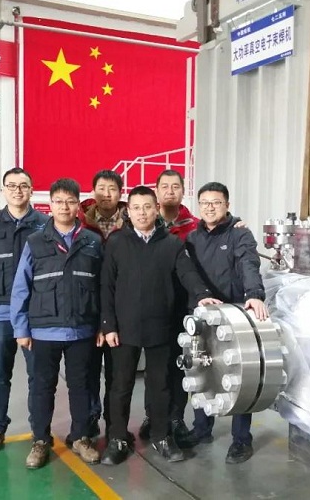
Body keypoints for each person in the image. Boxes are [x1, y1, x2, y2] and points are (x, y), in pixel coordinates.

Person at [100, 186, 220, 466]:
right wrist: (108, 325)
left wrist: (202, 295)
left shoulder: (172, 244)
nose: (142, 213)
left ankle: (161, 436)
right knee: (120, 386)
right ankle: (117, 438)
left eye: (147, 207)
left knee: (161, 386)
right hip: (124, 329)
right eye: (136, 208)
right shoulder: (116, 242)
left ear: (156, 209)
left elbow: (187, 273)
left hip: (161, 328)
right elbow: (106, 286)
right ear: (128, 211)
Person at [11, 178, 102, 470]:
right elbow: (21, 287)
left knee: (81, 387)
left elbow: (103, 287)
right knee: (42, 387)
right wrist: (21, 328)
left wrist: (102, 324)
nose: (64, 207)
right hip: (43, 330)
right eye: (59, 201)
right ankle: (40, 440)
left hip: (82, 329)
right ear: (50, 205)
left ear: (79, 205)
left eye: (71, 201)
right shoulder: (35, 242)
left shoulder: (92, 242)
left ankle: (81, 437)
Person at [186, 181, 269, 464]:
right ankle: (201, 429)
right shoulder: (192, 238)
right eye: (205, 203)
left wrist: (254, 294)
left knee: (240, 376)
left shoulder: (239, 234)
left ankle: (241, 440)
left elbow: (248, 263)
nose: (210, 207)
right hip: (202, 314)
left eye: (216, 202)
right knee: (201, 369)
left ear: (227, 205)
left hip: (234, 315)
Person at [0, 167, 48, 453]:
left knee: (38, 376)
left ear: (31, 190)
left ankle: (39, 432)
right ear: (2, 190)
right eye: (12, 185)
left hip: (35, 311)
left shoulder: (44, 224)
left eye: (23, 185)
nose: (18, 190)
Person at [137, 170, 201, 447]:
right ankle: (152, 416)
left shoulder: (195, 226)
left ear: (183, 191)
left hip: (184, 308)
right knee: (155, 367)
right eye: (165, 186)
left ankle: (176, 417)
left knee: (180, 365)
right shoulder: (147, 225)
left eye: (176, 186)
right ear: (156, 191)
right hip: (154, 306)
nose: (170, 191)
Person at [78, 169, 128, 439]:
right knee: (87, 372)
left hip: (121, 310)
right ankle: (89, 422)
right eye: (101, 188)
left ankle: (114, 427)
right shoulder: (79, 221)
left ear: (120, 193)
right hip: (87, 307)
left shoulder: (131, 221)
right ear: (93, 191)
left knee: (117, 375)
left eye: (112, 189)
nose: (106, 194)